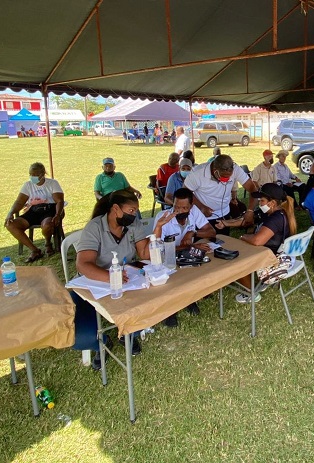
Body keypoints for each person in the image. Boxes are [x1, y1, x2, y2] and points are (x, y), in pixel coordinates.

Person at [73, 190, 150, 369]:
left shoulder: (134, 225)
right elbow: (83, 264)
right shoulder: (95, 227)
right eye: (131, 211)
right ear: (115, 208)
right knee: (81, 337)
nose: (134, 215)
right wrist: (110, 277)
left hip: (125, 282)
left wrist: (159, 229)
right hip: (93, 285)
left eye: (135, 211)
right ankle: (103, 343)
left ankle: (126, 335)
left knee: (142, 317)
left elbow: (144, 254)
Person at [152, 188, 216, 326]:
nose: (180, 211)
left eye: (184, 207)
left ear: (191, 207)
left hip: (186, 256)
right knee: (170, 281)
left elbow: (211, 232)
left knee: (200, 267)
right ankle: (170, 312)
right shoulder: (163, 217)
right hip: (166, 258)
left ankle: (190, 299)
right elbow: (159, 249)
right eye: (176, 207)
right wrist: (190, 247)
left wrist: (192, 233)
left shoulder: (194, 212)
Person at [232, 183, 297, 303]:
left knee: (236, 261)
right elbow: (247, 221)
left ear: (272, 203)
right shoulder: (278, 213)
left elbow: (257, 241)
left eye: (261, 200)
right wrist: (226, 223)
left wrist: (243, 236)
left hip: (271, 258)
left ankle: (251, 293)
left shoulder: (275, 219)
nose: (259, 203)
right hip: (277, 253)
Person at [4, 162, 65, 263]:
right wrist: (10, 213)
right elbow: (19, 202)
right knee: (10, 225)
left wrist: (58, 214)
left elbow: (59, 201)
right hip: (33, 211)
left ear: (42, 174)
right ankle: (35, 250)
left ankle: (48, 242)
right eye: (31, 174)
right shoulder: (27, 185)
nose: (32, 177)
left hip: (49, 209)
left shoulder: (52, 183)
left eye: (35, 175)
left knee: (47, 225)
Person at [183, 154, 258, 234]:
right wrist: (202, 207)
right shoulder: (198, 173)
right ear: (215, 170)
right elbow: (184, 192)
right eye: (224, 177)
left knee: (222, 242)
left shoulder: (236, 169)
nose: (226, 180)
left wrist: (250, 210)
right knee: (203, 243)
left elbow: (253, 189)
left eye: (229, 177)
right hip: (202, 217)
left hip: (224, 215)